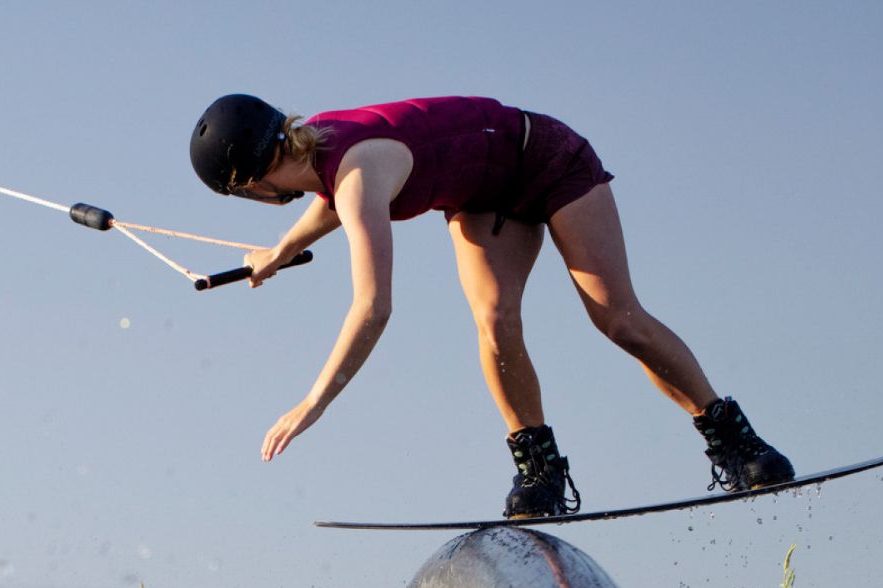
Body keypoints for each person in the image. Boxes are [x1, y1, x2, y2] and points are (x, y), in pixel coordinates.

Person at [189, 94, 794, 518]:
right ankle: (540, 470)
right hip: (483, 196)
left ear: (246, 186)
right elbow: (332, 199)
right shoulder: (320, 149)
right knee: (495, 320)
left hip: (547, 160)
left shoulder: (354, 175)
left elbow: (373, 306)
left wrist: (312, 402)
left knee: (619, 320)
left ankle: (736, 443)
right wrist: (280, 250)